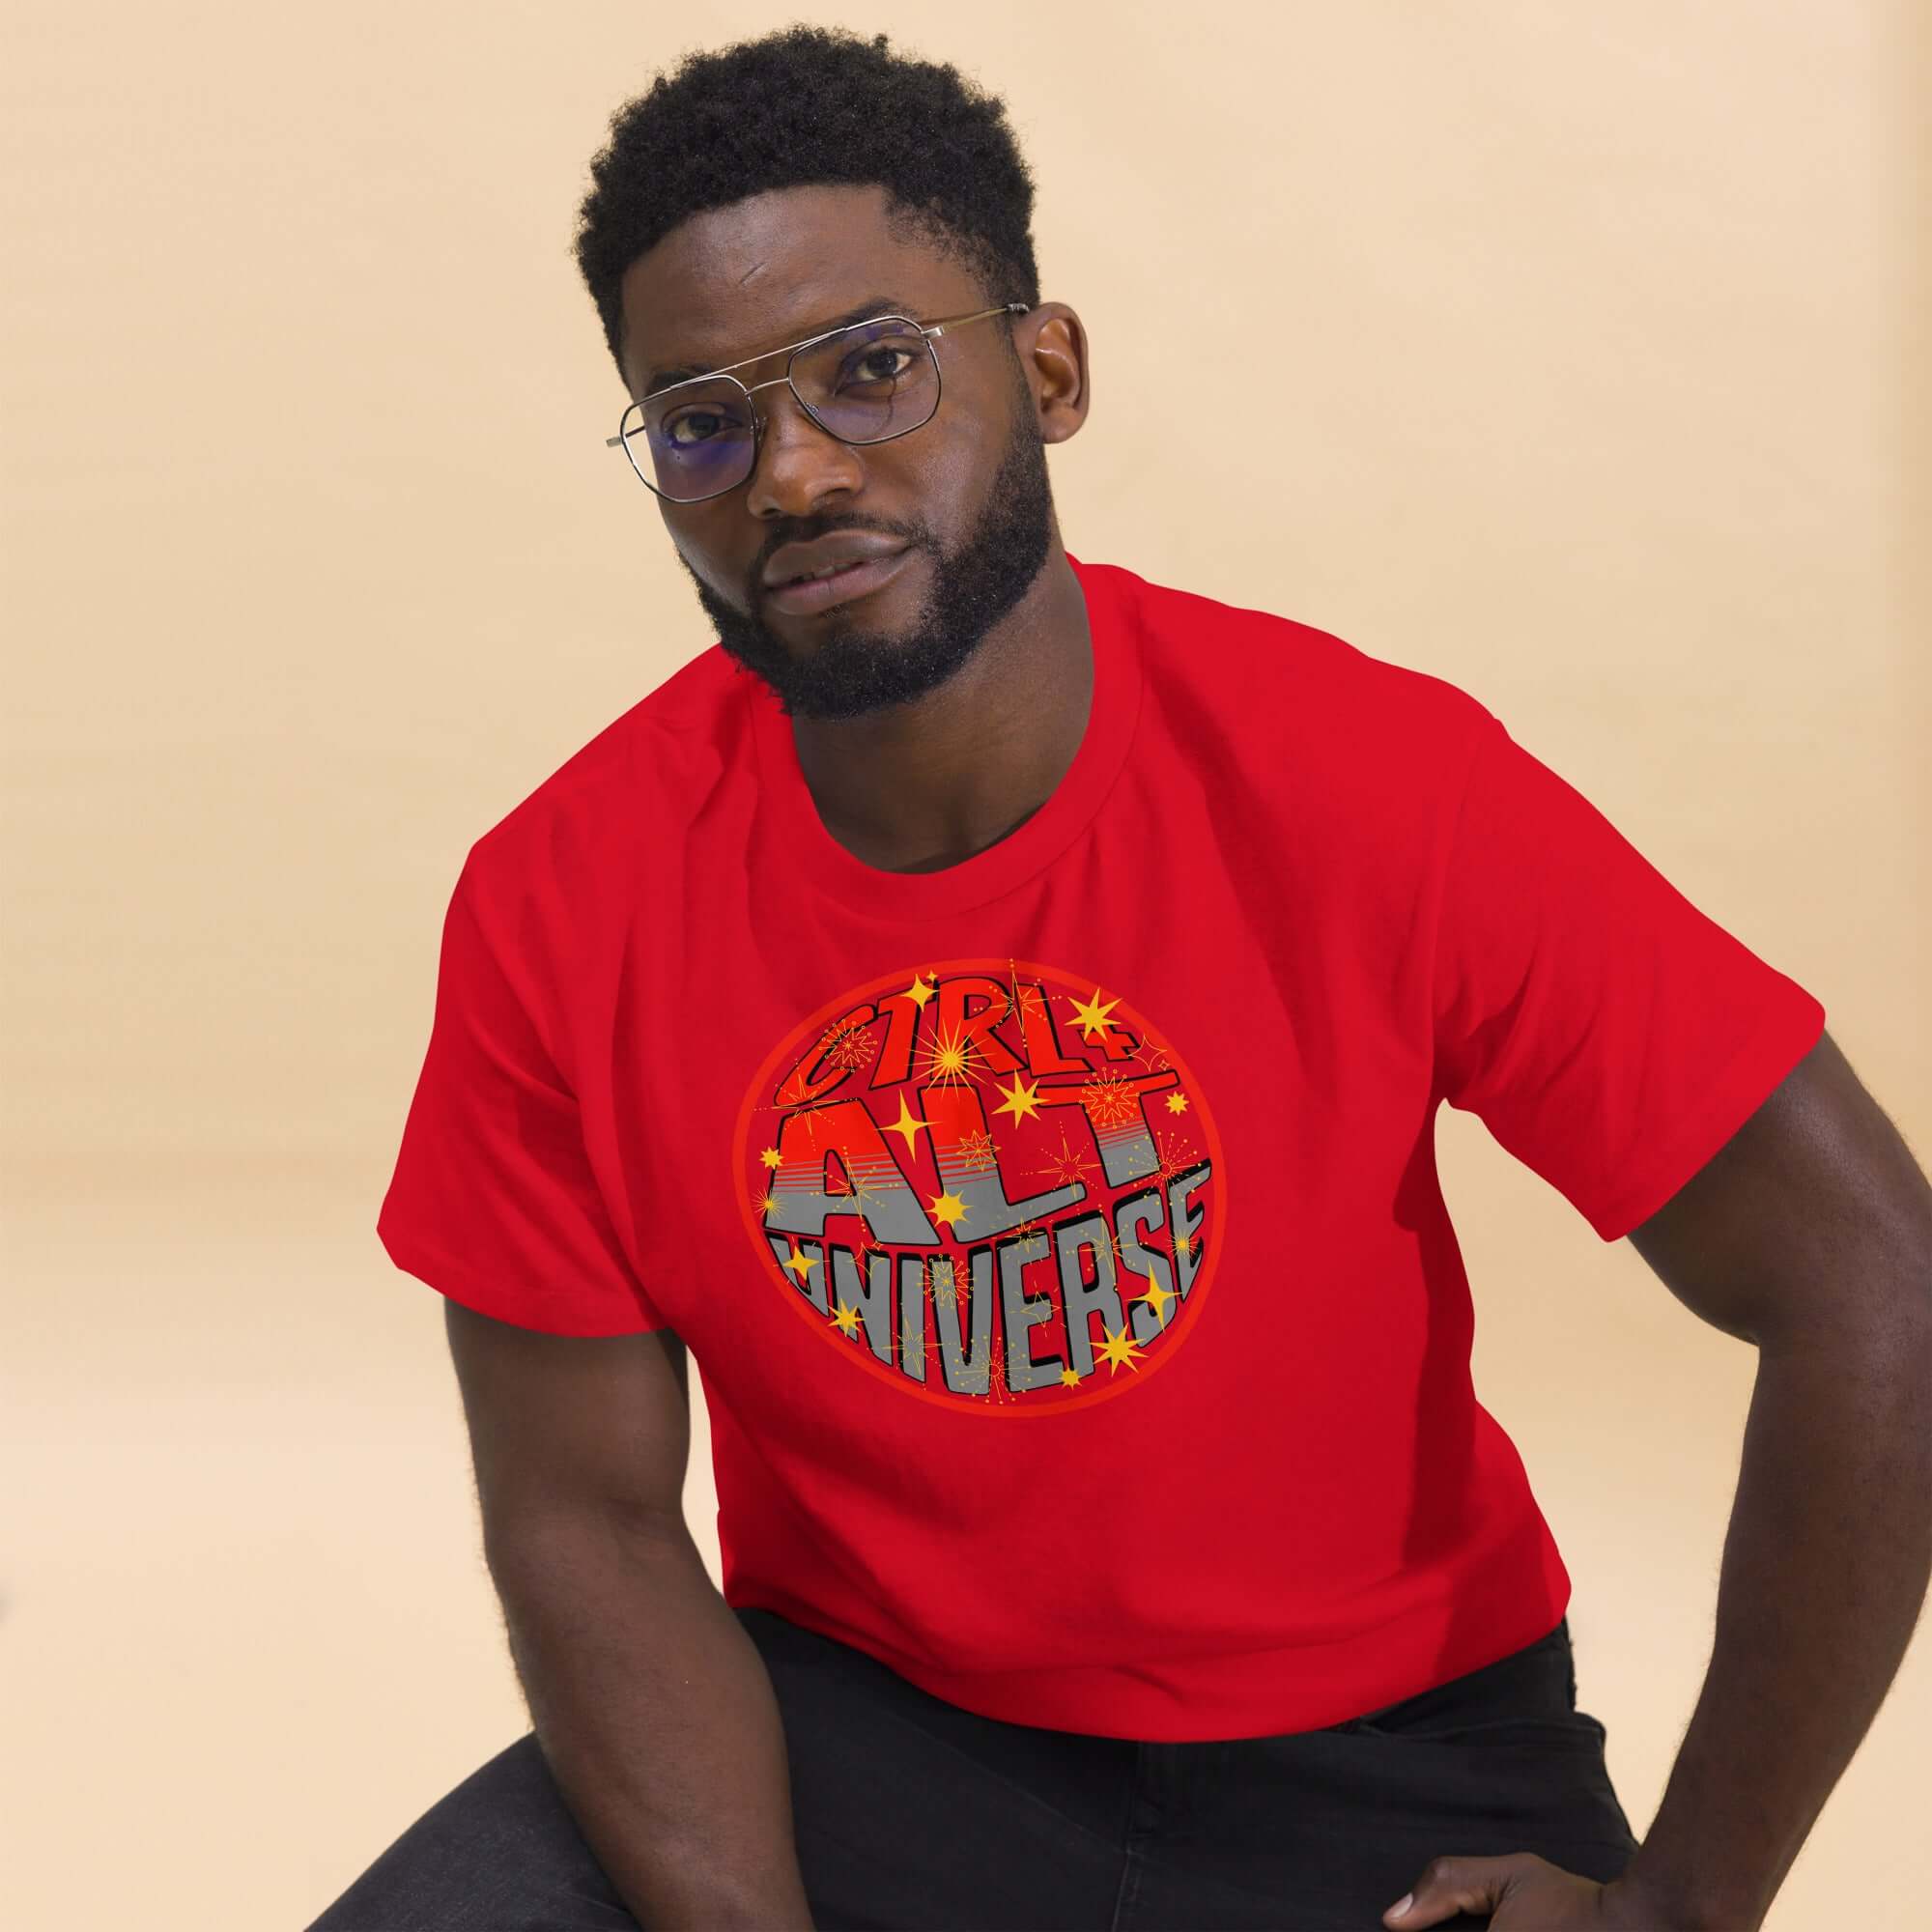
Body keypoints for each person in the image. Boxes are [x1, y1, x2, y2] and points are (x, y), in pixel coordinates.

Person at [309, 25, 1932, 1932]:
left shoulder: (1364, 781)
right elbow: (580, 1511)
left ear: (1048, 368)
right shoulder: (558, 898)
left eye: (871, 369)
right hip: (859, 1735)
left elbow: (1873, 1283)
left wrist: (1683, 1906)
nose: (794, 472)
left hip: (1382, 1764)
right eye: (700, 423)